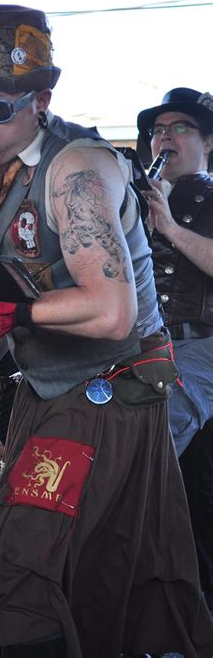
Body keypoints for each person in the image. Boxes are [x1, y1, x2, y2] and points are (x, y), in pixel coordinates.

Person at [0, 5, 213, 658]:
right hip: (48, 394)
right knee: (87, 585)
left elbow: (111, 311)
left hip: (107, 392)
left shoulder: (77, 168)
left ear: (41, 98)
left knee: (14, 578)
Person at [137, 87, 213, 617]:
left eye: (180, 127)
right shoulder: (133, 196)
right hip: (141, 344)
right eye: (158, 130)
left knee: (147, 436)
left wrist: (167, 226)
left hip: (201, 345)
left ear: (208, 142)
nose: (165, 136)